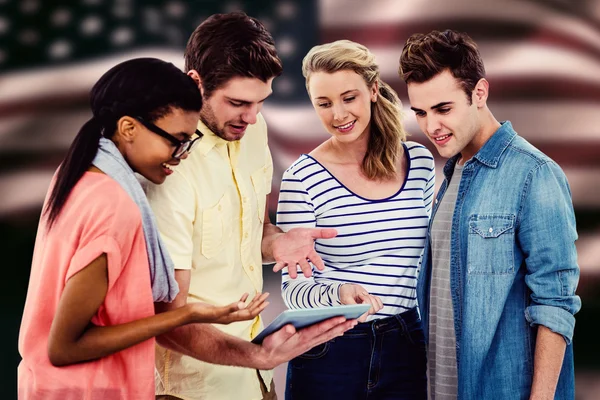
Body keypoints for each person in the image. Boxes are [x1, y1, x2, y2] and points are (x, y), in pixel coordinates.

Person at [18, 57, 355, 400]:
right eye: (176, 140)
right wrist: (187, 314)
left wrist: (274, 242)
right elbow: (64, 346)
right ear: (128, 128)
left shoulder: (79, 175)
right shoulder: (115, 206)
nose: (181, 155)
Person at [144, 12, 349, 400]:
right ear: (195, 83)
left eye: (260, 102)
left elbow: (250, 230)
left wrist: (276, 243)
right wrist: (257, 356)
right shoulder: (168, 166)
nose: (252, 117)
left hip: (256, 379)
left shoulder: (254, 129)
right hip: (193, 388)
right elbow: (168, 321)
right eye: (238, 102)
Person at [398, 30, 581, 399]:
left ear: (479, 93)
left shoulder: (534, 174)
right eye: (421, 112)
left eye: (444, 108)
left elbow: (556, 304)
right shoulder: (451, 175)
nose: (431, 126)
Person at [276, 40, 435, 399]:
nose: (338, 114)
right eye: (324, 103)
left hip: (406, 341)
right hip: (330, 347)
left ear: (374, 90)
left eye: (349, 98)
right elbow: (292, 288)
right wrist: (339, 294)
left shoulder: (419, 162)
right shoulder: (302, 178)